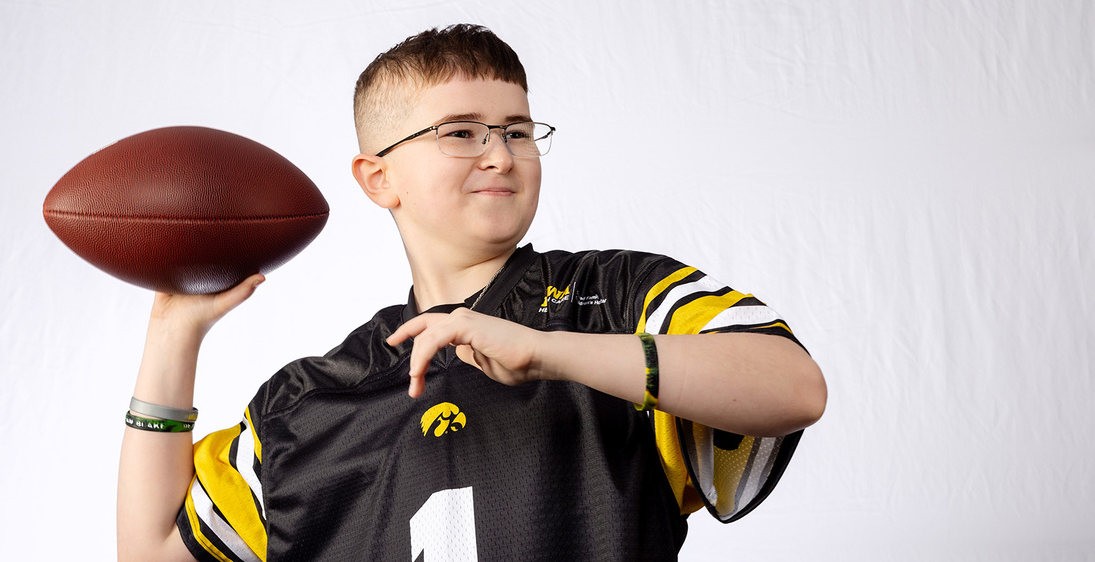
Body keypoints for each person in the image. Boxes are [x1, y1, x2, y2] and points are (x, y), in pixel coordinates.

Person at [117, 24, 826, 562]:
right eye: (461, 132)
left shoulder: (619, 297)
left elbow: (795, 389)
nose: (501, 153)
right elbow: (151, 556)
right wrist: (172, 330)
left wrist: (550, 352)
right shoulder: (307, 403)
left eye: (518, 130)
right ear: (377, 179)